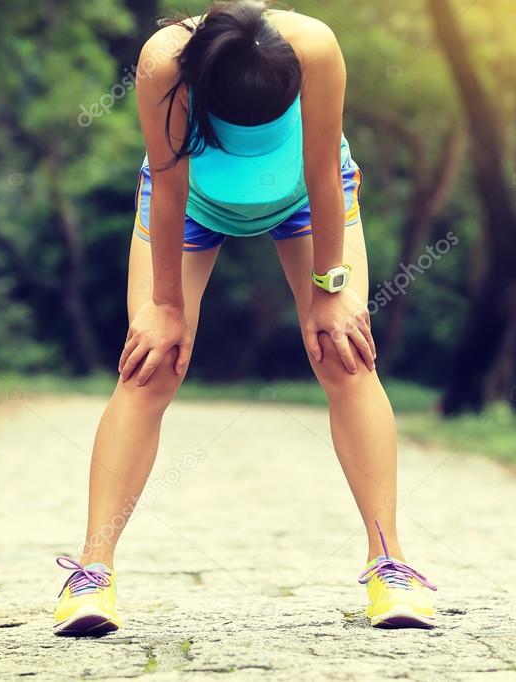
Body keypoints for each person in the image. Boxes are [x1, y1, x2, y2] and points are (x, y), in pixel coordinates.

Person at [53, 0, 436, 635]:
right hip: (193, 203)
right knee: (149, 367)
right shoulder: (162, 65)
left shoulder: (315, 46)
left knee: (345, 352)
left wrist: (330, 287)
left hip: (303, 198)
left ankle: (390, 563)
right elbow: (171, 186)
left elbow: (320, 171)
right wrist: (166, 307)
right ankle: (92, 575)